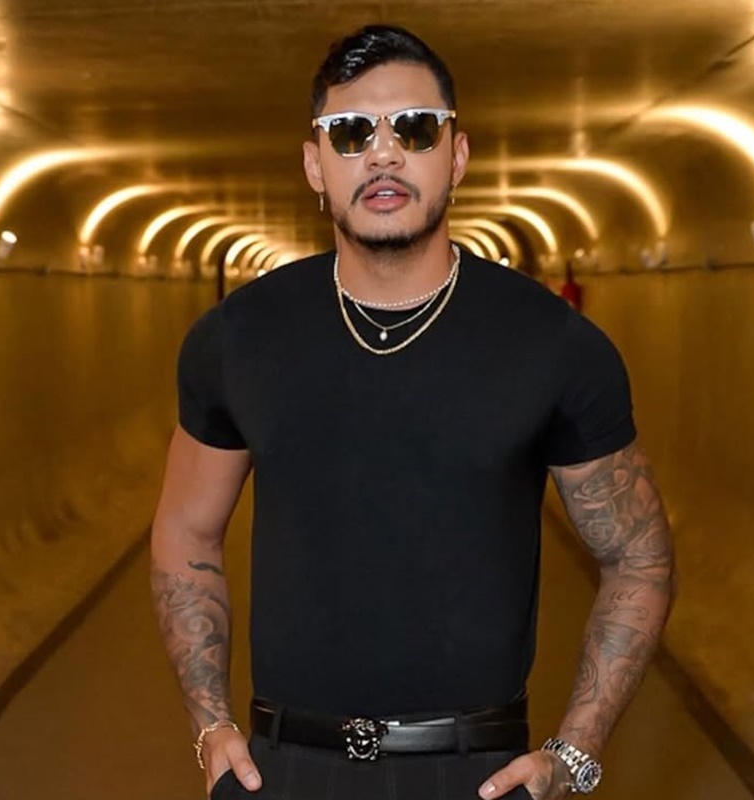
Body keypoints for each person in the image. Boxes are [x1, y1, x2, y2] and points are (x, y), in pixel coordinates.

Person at [150, 24, 675, 800]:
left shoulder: (552, 345)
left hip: (476, 773)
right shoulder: (238, 339)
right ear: (315, 164)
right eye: (351, 132)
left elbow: (638, 555)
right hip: (285, 769)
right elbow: (186, 533)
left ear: (456, 156)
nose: (384, 154)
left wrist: (576, 752)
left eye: (416, 129)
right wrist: (209, 723)